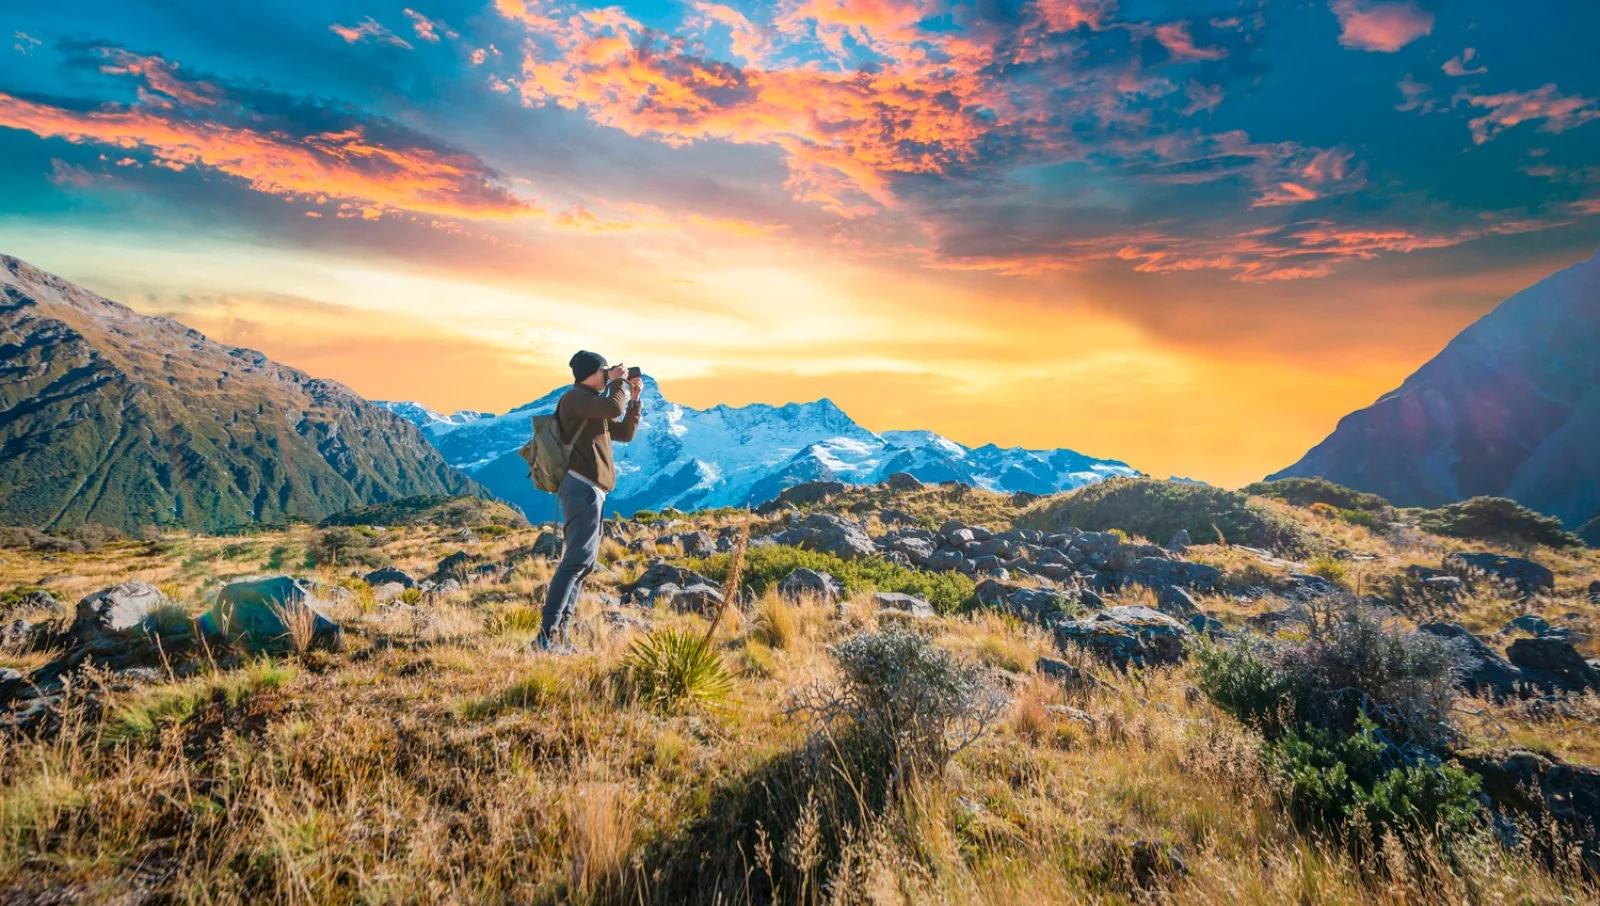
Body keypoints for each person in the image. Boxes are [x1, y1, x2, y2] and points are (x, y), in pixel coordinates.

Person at [535, 350, 643, 652]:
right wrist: (618, 383)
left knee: (584, 563)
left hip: (592, 491)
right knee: (574, 562)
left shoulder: (592, 406)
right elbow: (611, 408)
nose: (609, 373)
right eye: (604, 370)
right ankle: (546, 636)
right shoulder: (575, 399)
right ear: (592, 373)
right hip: (581, 487)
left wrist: (634, 400)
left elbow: (624, 432)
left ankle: (560, 636)